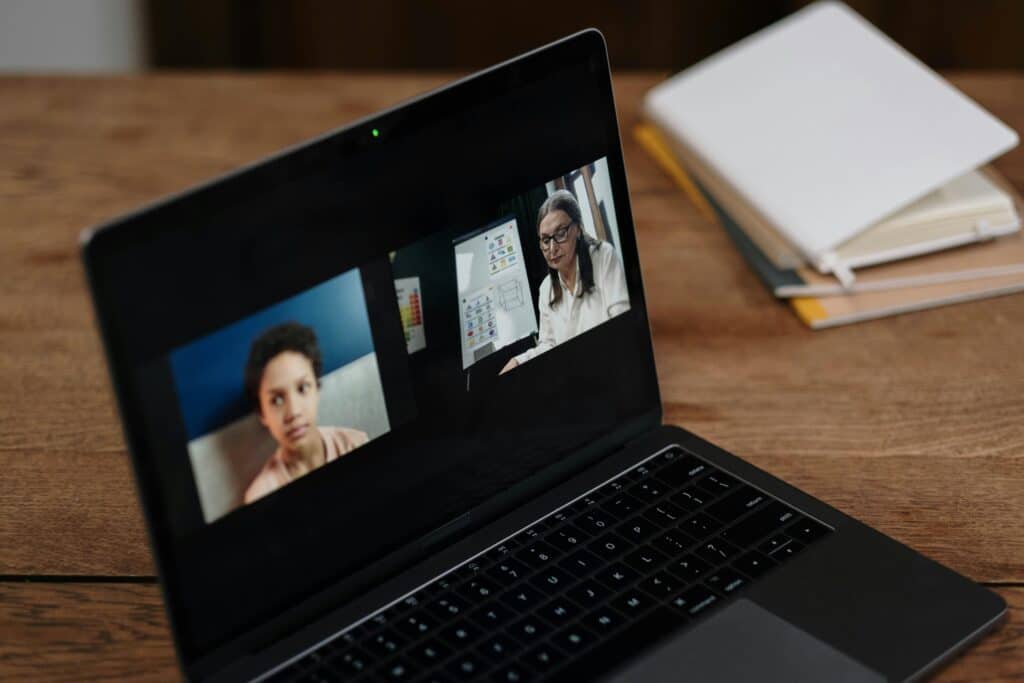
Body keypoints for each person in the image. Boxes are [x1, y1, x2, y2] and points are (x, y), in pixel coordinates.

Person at [501, 189, 630, 373]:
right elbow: (549, 344)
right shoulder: (546, 289)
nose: (552, 248)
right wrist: (518, 361)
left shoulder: (603, 257)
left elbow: (623, 324)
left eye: (560, 233)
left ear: (577, 228)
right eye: (545, 240)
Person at [242, 322, 368, 504]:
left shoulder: (355, 444)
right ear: (262, 414)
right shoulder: (259, 496)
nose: (293, 412)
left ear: (317, 388)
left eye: (302, 388)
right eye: (276, 400)